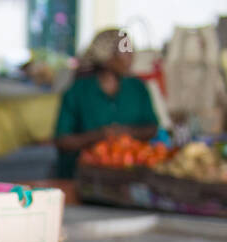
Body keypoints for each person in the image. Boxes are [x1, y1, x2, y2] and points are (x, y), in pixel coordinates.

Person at [54, 28, 160, 178]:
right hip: (81, 176)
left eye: (132, 50)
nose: (131, 56)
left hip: (128, 175)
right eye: (125, 50)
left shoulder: (137, 88)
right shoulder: (78, 91)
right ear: (106, 54)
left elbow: (152, 127)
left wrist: (126, 132)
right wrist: (99, 135)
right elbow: (62, 141)